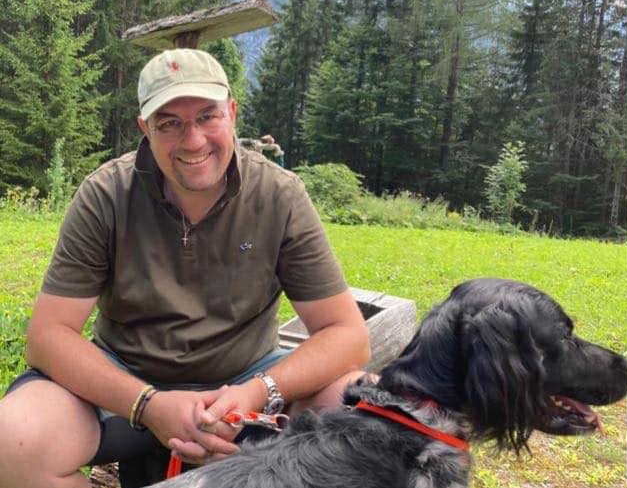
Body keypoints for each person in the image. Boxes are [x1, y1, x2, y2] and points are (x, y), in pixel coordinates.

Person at [0, 48, 370, 488]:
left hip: (248, 379)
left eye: (207, 116)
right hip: (124, 380)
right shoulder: (106, 194)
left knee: (368, 415)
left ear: (232, 113)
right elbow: (48, 336)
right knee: (11, 440)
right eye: (169, 123)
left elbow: (347, 334)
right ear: (145, 128)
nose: (193, 141)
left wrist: (257, 391)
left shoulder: (279, 195)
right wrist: (147, 404)